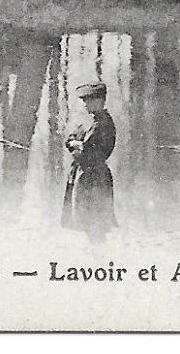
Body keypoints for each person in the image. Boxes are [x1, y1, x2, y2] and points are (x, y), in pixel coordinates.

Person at [62, 82, 118, 243]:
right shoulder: (92, 122)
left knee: (94, 220)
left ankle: (99, 257)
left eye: (89, 100)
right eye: (85, 101)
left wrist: (77, 146)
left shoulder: (103, 124)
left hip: (95, 177)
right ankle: (97, 253)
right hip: (87, 175)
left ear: (99, 101)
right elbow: (72, 138)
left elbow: (87, 151)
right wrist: (76, 144)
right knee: (87, 220)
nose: (86, 104)